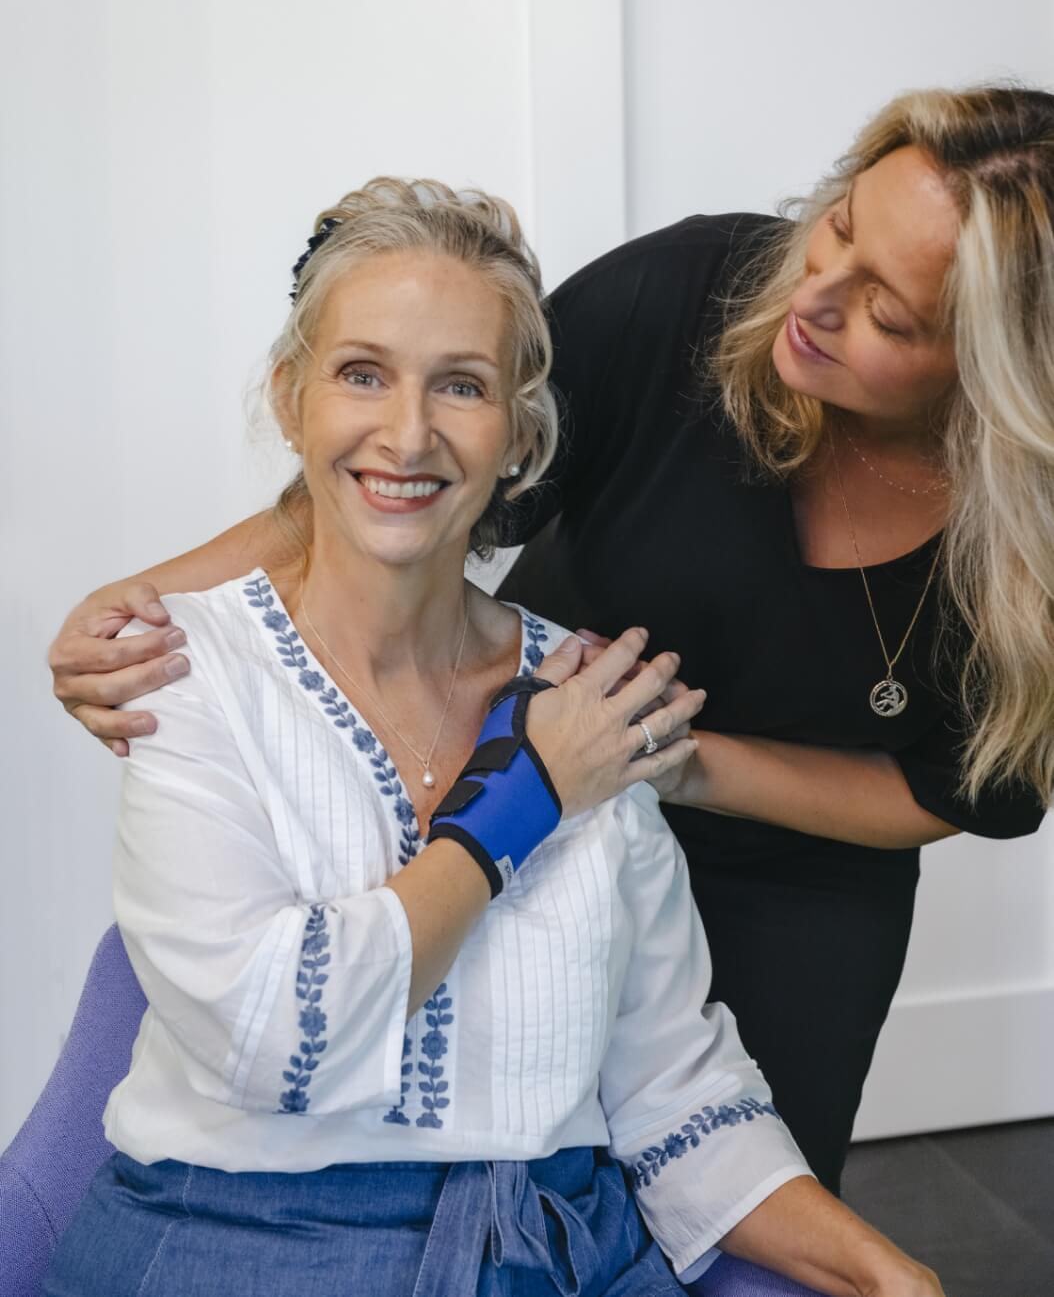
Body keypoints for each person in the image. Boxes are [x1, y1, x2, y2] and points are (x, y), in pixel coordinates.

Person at [48, 87, 1054, 1195]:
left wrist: (678, 761)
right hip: (546, 805)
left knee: (733, 1187)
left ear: (997, 368)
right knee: (478, 1156)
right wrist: (140, 609)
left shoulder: (1028, 533)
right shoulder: (687, 294)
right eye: (840, 226)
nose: (814, 294)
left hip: (787, 879)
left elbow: (961, 789)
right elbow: (409, 464)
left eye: (888, 315)